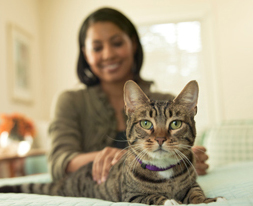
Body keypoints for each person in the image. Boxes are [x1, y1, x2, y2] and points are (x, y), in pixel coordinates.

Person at [48, 7, 209, 183]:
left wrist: (186, 157)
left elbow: (184, 150)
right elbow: (59, 163)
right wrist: (125, 156)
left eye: (117, 43)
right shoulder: (70, 101)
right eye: (97, 48)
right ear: (85, 54)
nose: (108, 54)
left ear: (133, 43)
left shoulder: (166, 101)